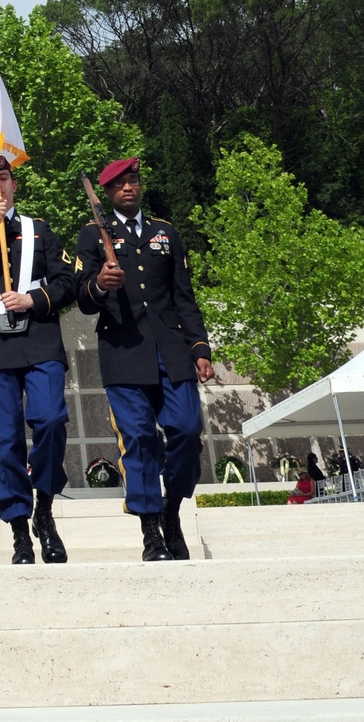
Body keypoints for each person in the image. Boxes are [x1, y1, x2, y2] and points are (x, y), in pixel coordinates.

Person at [76, 157, 214, 562]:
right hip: (123, 352)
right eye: (120, 185)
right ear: (108, 193)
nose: (129, 189)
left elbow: (183, 297)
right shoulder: (93, 235)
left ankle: (172, 509)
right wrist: (101, 284)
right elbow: (82, 298)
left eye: (133, 181)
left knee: (187, 431)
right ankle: (151, 531)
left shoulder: (165, 233)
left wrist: (200, 348)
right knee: (137, 439)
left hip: (170, 352)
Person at [0, 156, 76, 564]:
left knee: (52, 419)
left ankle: (44, 507)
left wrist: (32, 299)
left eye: (3, 178)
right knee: (3, 442)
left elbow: (65, 283)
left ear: (14, 184)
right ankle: (20, 530)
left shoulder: (38, 230)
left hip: (39, 337)